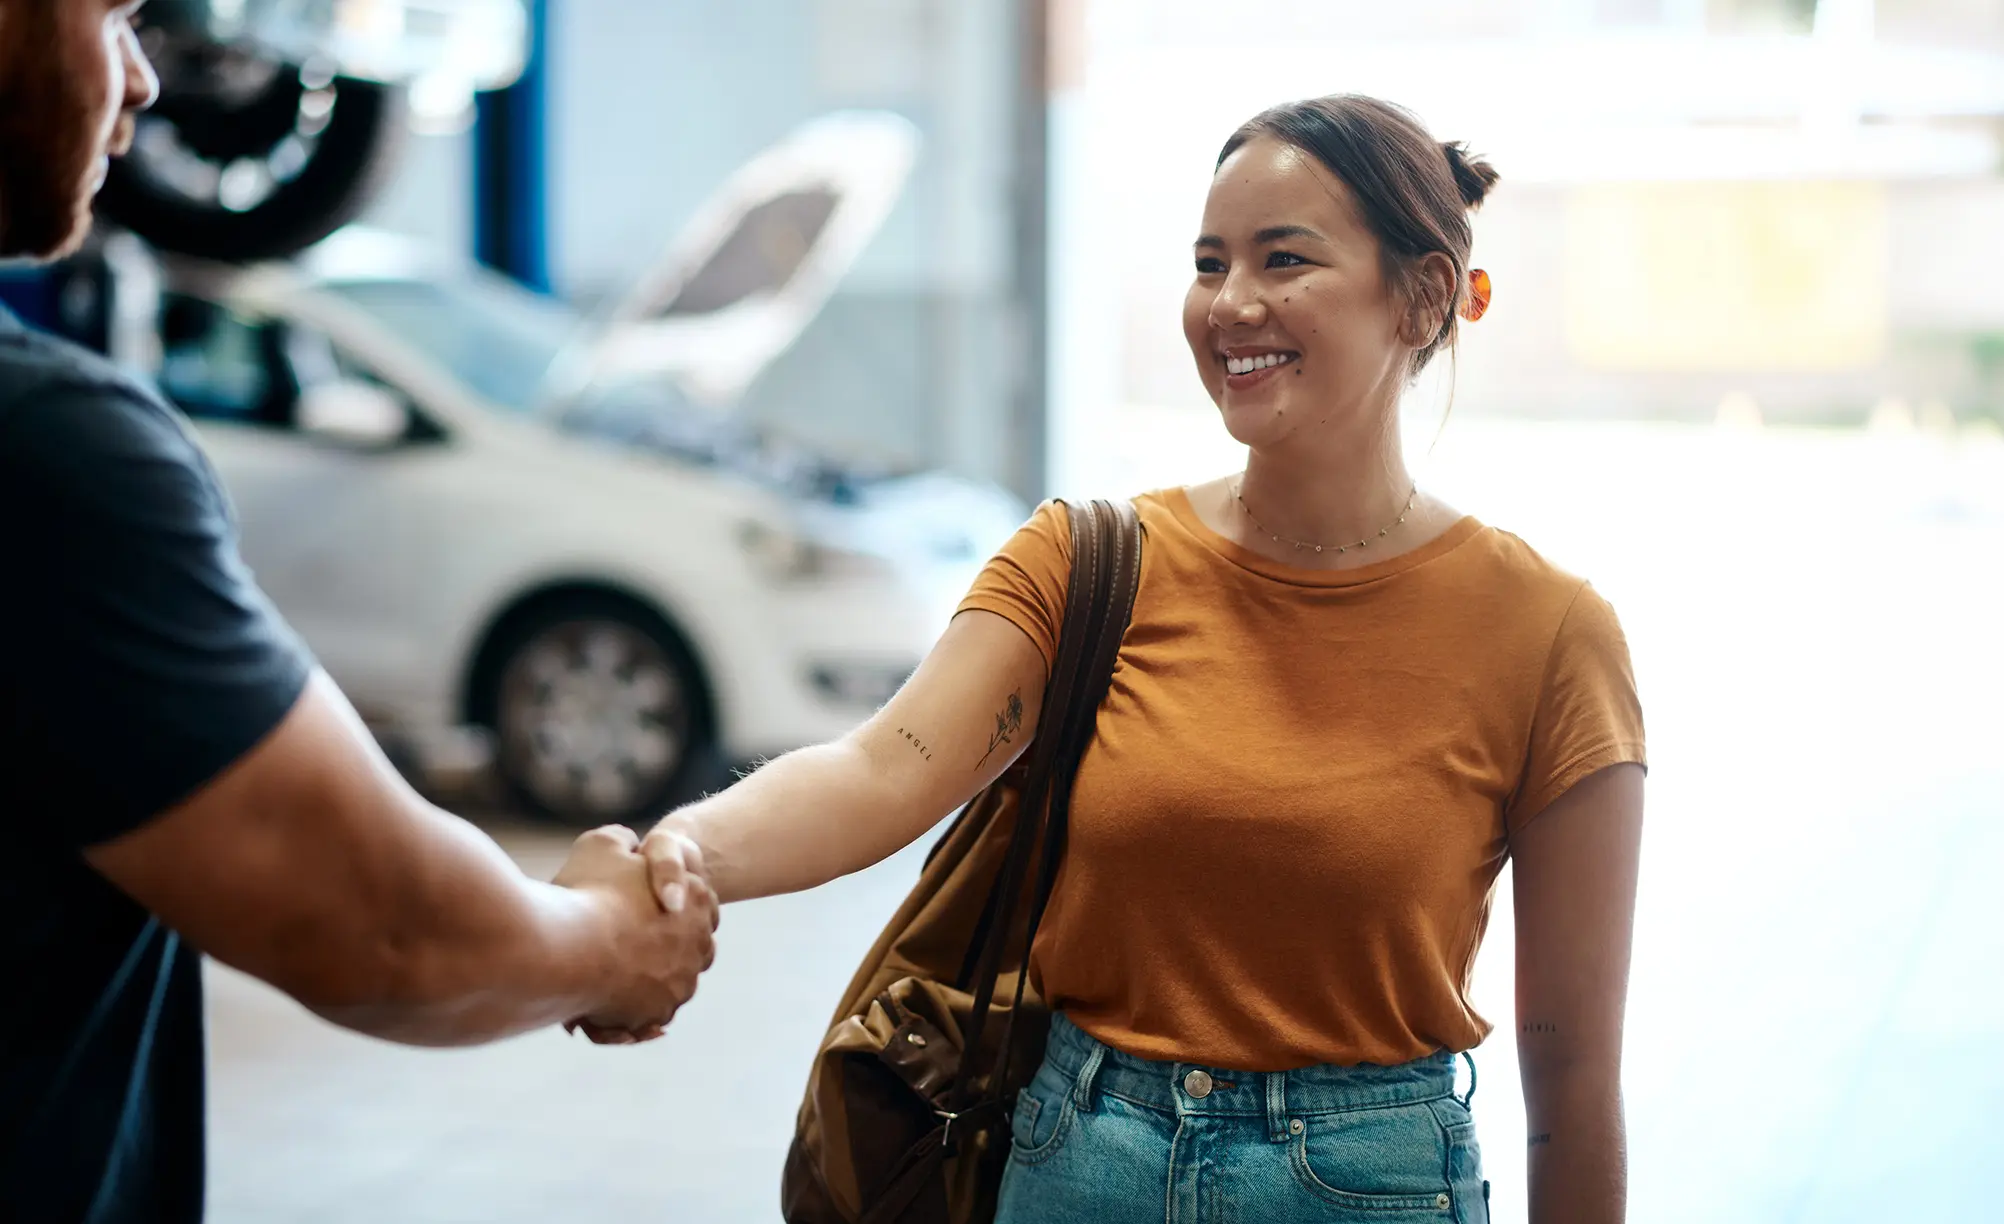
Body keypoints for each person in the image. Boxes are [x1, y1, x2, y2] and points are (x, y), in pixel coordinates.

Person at [635, 94, 1647, 1223]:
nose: (1231, 303)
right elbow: (879, 770)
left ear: (1422, 296)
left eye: (1284, 259)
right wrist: (678, 854)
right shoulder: (1089, 563)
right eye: (1210, 264)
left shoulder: (1549, 633)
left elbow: (1572, 1077)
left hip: (1368, 1185)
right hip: (1078, 1162)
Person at [0, 4, 717, 1222]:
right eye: (110, 16)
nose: (145, 80)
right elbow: (383, 928)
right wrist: (614, 942)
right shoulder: (44, 454)